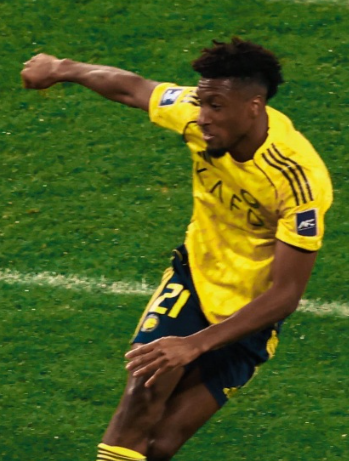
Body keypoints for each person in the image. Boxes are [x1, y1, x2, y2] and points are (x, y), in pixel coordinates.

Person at [19, 39, 332, 461]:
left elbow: (285, 294)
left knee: (160, 444)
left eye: (216, 107)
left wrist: (196, 344)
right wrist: (61, 67)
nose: (202, 118)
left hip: (249, 316)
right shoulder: (199, 116)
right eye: (201, 102)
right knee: (141, 396)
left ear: (254, 107)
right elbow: (132, 88)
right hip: (193, 279)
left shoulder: (296, 179)